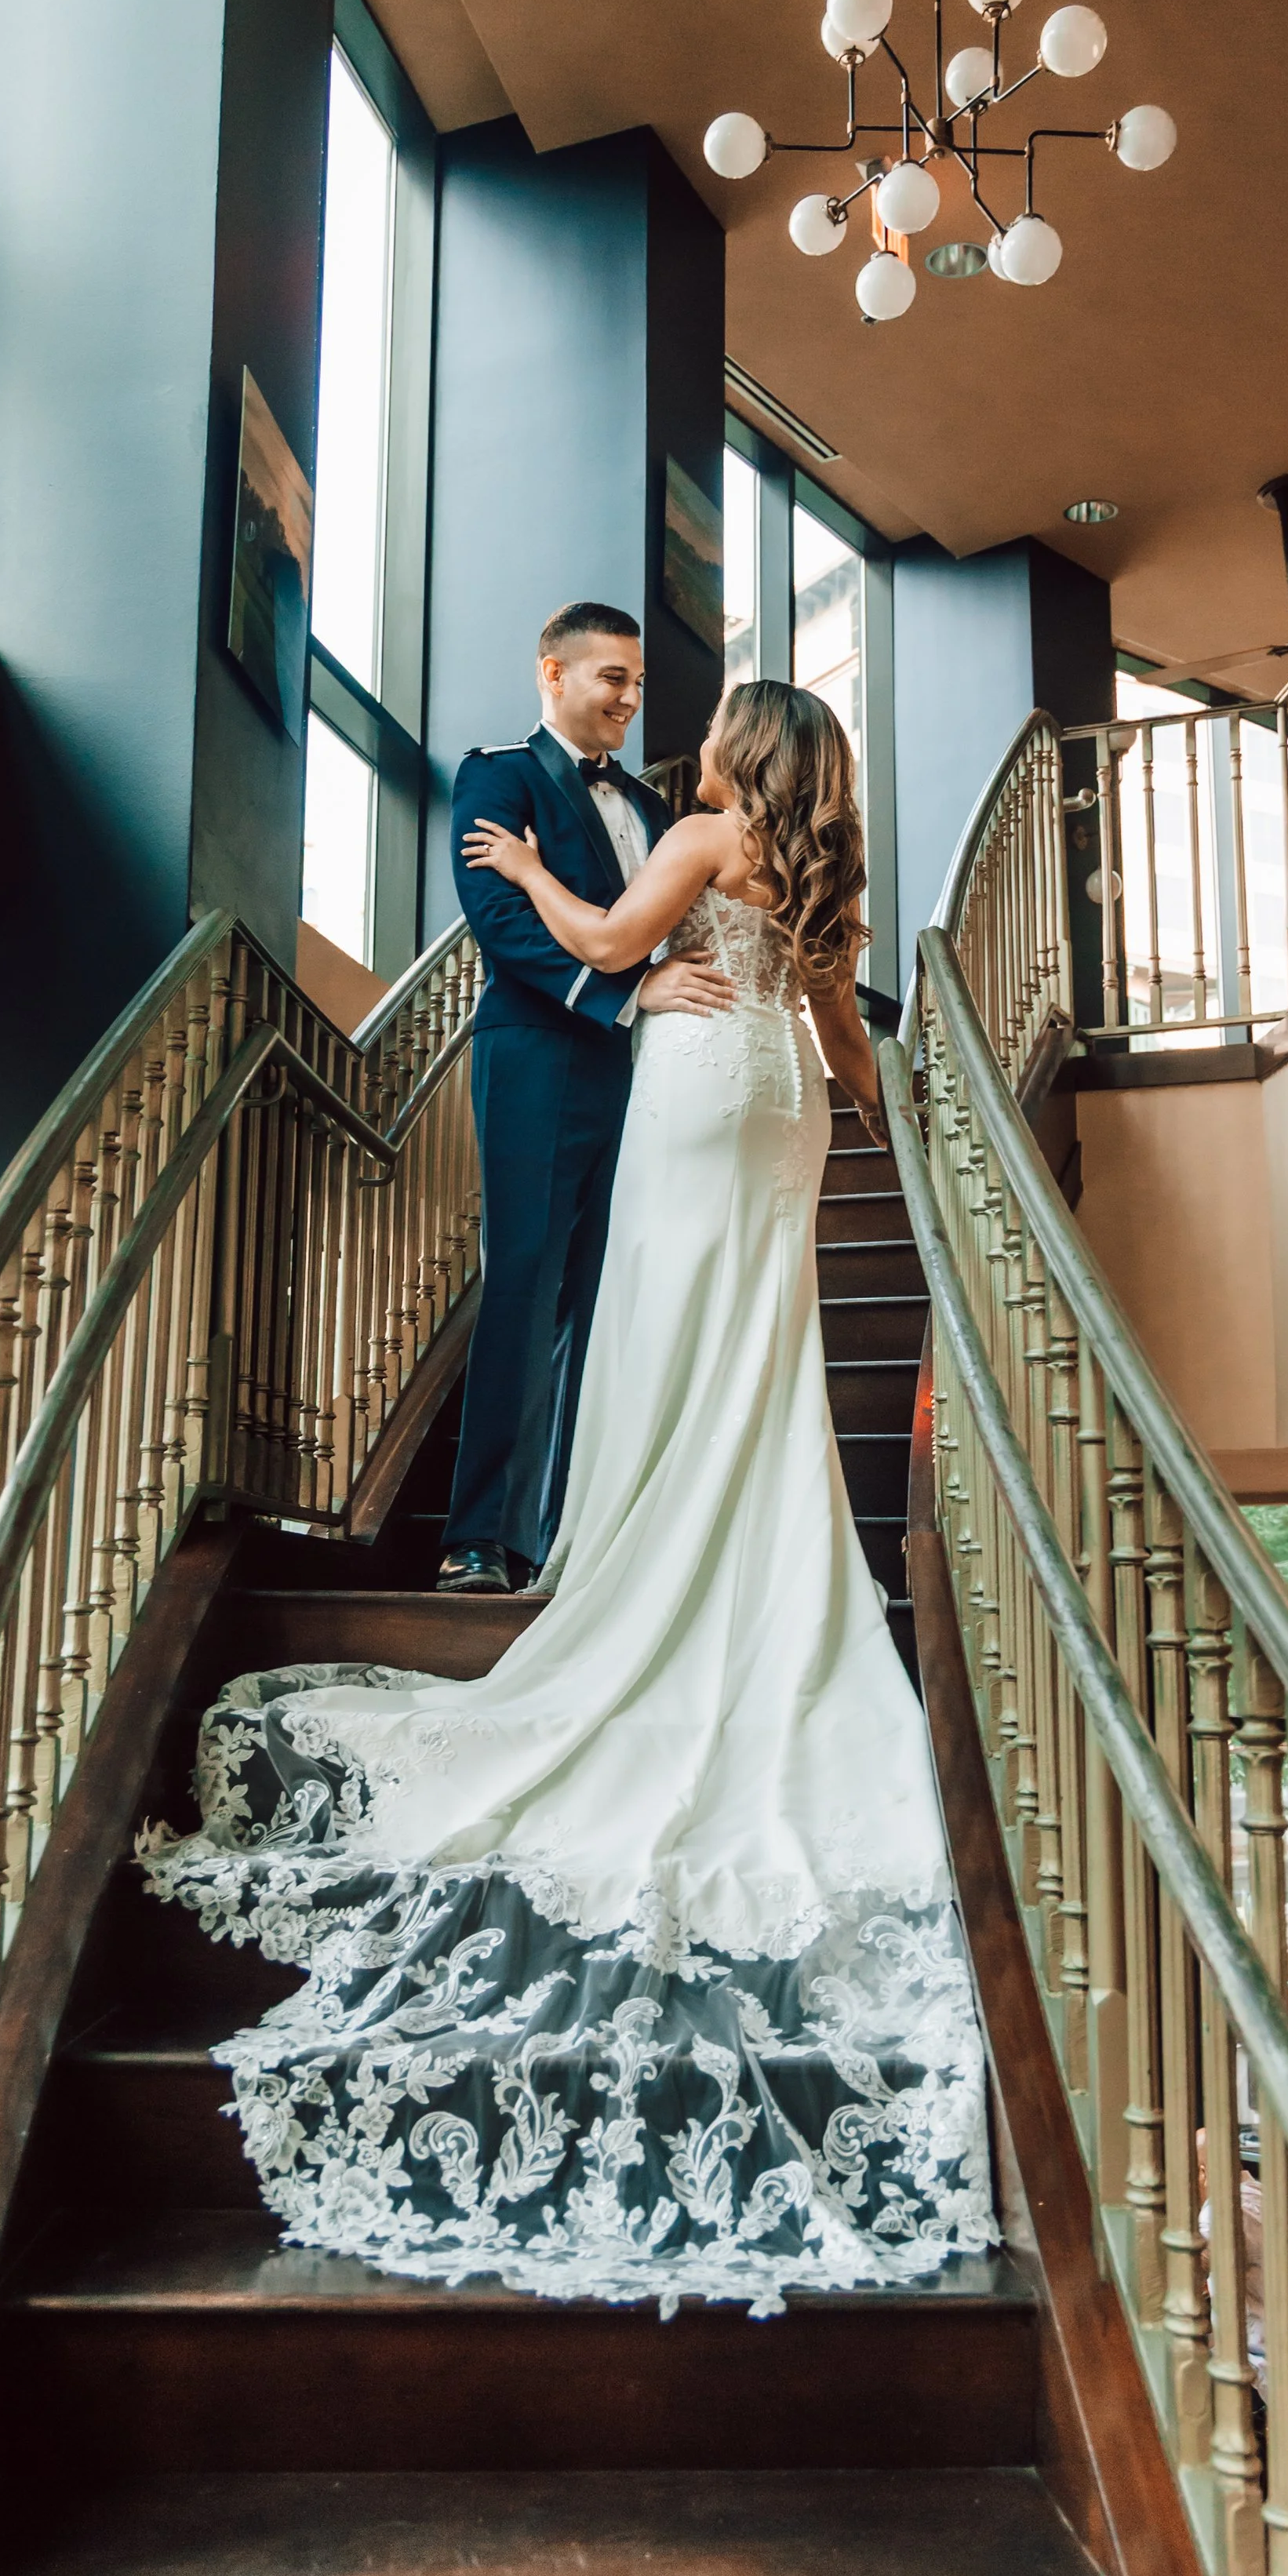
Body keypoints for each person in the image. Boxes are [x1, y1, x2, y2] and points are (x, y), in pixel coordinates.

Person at [144, 679, 993, 2318]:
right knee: (759, 1345)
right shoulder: (816, 869)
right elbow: (847, 1053)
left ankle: (647, 1562)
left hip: (689, 1101)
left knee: (664, 1332)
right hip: (783, 1123)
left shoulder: (698, 834)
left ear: (742, 756)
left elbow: (607, 952)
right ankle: (744, 1558)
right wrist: (889, 1128)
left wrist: (529, 880)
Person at [435, 600, 734, 1597]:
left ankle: (568, 1530)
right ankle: (479, 1538)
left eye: (637, 683)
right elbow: (503, 926)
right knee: (524, 1284)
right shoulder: (497, 774)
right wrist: (627, 989)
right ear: (552, 675)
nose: (630, 699)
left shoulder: (651, 809)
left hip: (645, 1075)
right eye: (612, 678)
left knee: (607, 1297)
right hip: (537, 1057)